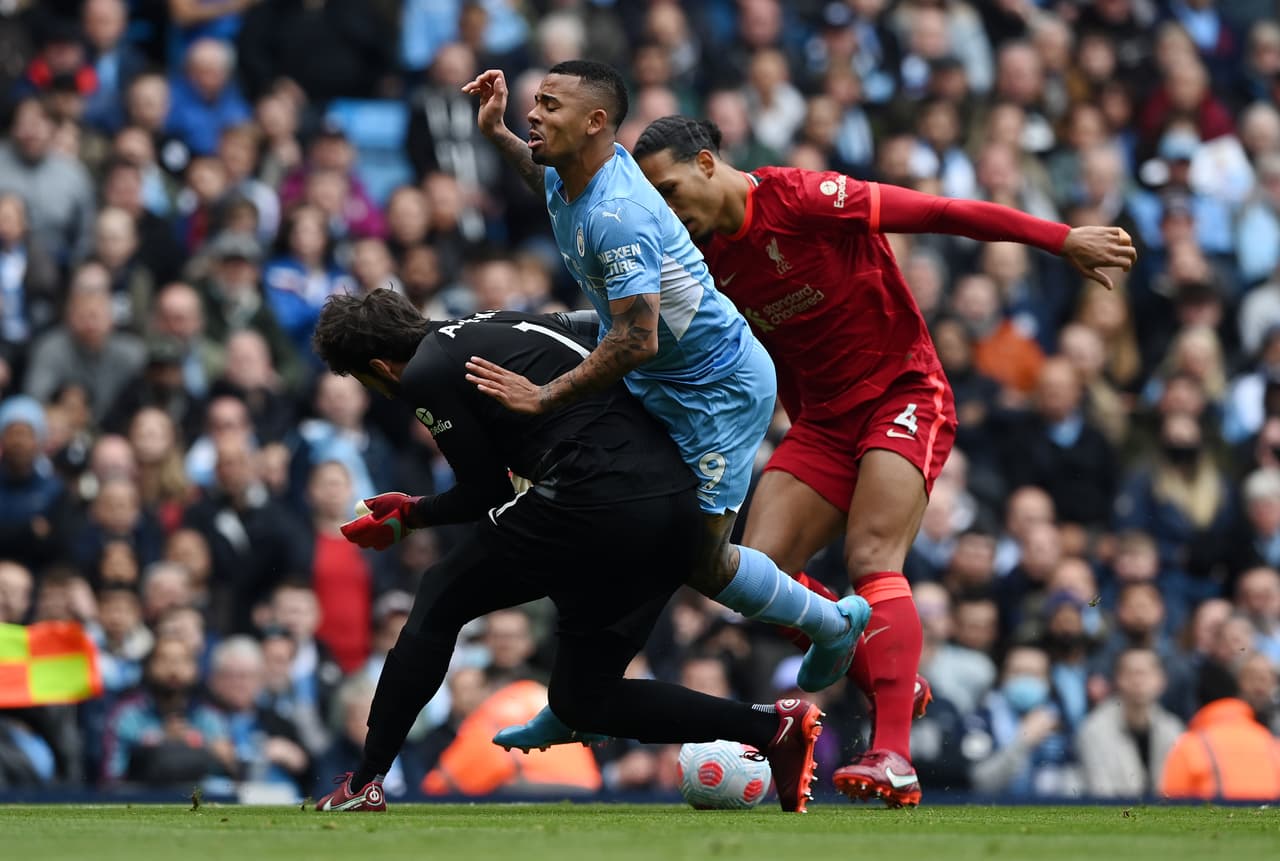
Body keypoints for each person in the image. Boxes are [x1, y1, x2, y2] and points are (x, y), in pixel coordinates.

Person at [610, 114, 1136, 806]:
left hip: (901, 391)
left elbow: (941, 212)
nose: (667, 209)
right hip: (825, 422)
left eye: (671, 190)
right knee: (752, 573)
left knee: (872, 558)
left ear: (707, 164)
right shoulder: (702, 260)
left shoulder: (803, 197)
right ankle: (884, 670)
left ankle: (894, 755)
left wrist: (1060, 238)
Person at [308, 289, 825, 814]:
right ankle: (770, 727)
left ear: (379, 368)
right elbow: (596, 331)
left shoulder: (422, 372)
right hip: (674, 507)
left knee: (440, 594)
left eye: (366, 382)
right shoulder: (494, 323)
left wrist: (413, 514)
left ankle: (366, 782)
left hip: (595, 499)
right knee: (584, 698)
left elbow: (485, 492)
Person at [460, 64, 868, 714]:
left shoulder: (618, 215)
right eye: (534, 103)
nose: (533, 114)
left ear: (595, 122)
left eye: (550, 105)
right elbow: (546, 184)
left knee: (701, 563)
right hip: (656, 375)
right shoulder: (577, 175)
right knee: (607, 511)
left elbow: (635, 340)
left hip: (715, 391)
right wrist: (498, 134)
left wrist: (544, 396)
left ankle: (832, 625)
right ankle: (579, 699)